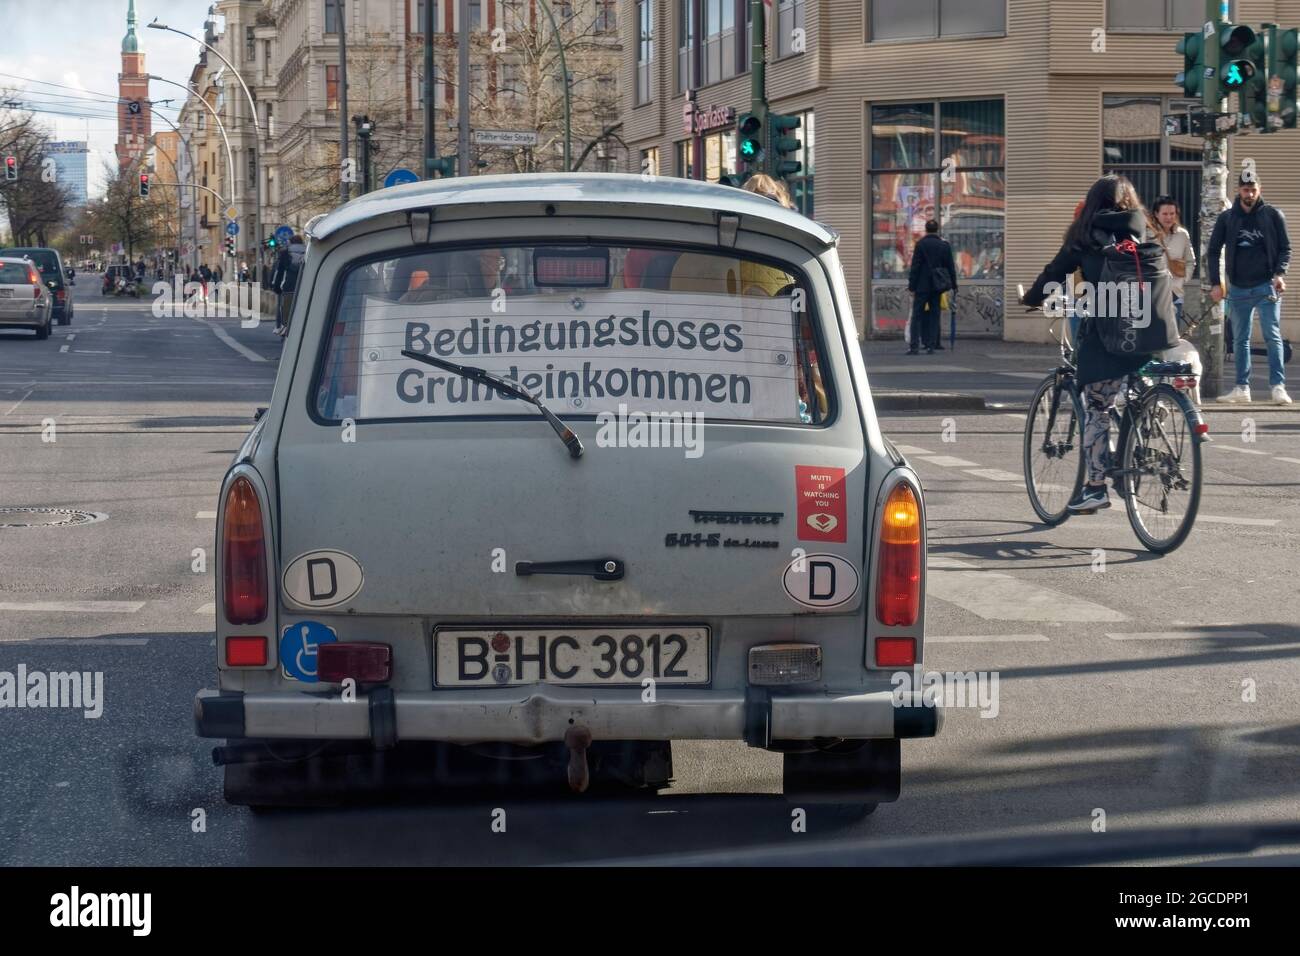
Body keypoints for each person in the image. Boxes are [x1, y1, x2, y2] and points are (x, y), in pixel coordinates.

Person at [1021, 174, 1157, 513]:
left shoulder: (1085, 235)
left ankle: (1095, 487)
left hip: (1108, 336)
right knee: (1135, 386)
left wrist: (1033, 298)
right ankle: (1145, 432)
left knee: (1098, 405)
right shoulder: (1142, 228)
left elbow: (1055, 272)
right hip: (1150, 329)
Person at [1207, 173, 1291, 404]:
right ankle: (1242, 388)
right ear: (1239, 190)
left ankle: (1278, 387)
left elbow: (1285, 248)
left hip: (1266, 285)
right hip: (1238, 288)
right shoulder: (1227, 218)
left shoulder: (1273, 215)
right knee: (1239, 340)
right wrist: (1216, 282)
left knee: (1272, 336)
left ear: (1259, 189)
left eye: (1253, 189)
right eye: (1245, 190)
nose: (1250, 194)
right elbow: (1213, 251)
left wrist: (1279, 274)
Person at [1149, 197, 1203, 406]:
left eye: (1172, 213)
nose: (1169, 217)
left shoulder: (1182, 235)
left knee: (1171, 344)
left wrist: (1182, 280)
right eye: (1165, 213)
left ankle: (1170, 387)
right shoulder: (1148, 234)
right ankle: (1153, 386)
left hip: (1175, 296)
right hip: (1152, 298)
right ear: (1156, 214)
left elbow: (1191, 261)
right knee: (1152, 344)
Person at [906, 219, 957, 355]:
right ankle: (932, 345)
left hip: (921, 286)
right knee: (935, 315)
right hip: (937, 286)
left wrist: (911, 285)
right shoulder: (944, 245)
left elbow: (915, 267)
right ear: (937, 229)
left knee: (917, 316)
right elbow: (950, 266)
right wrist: (954, 284)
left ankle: (914, 346)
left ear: (926, 229)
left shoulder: (920, 244)